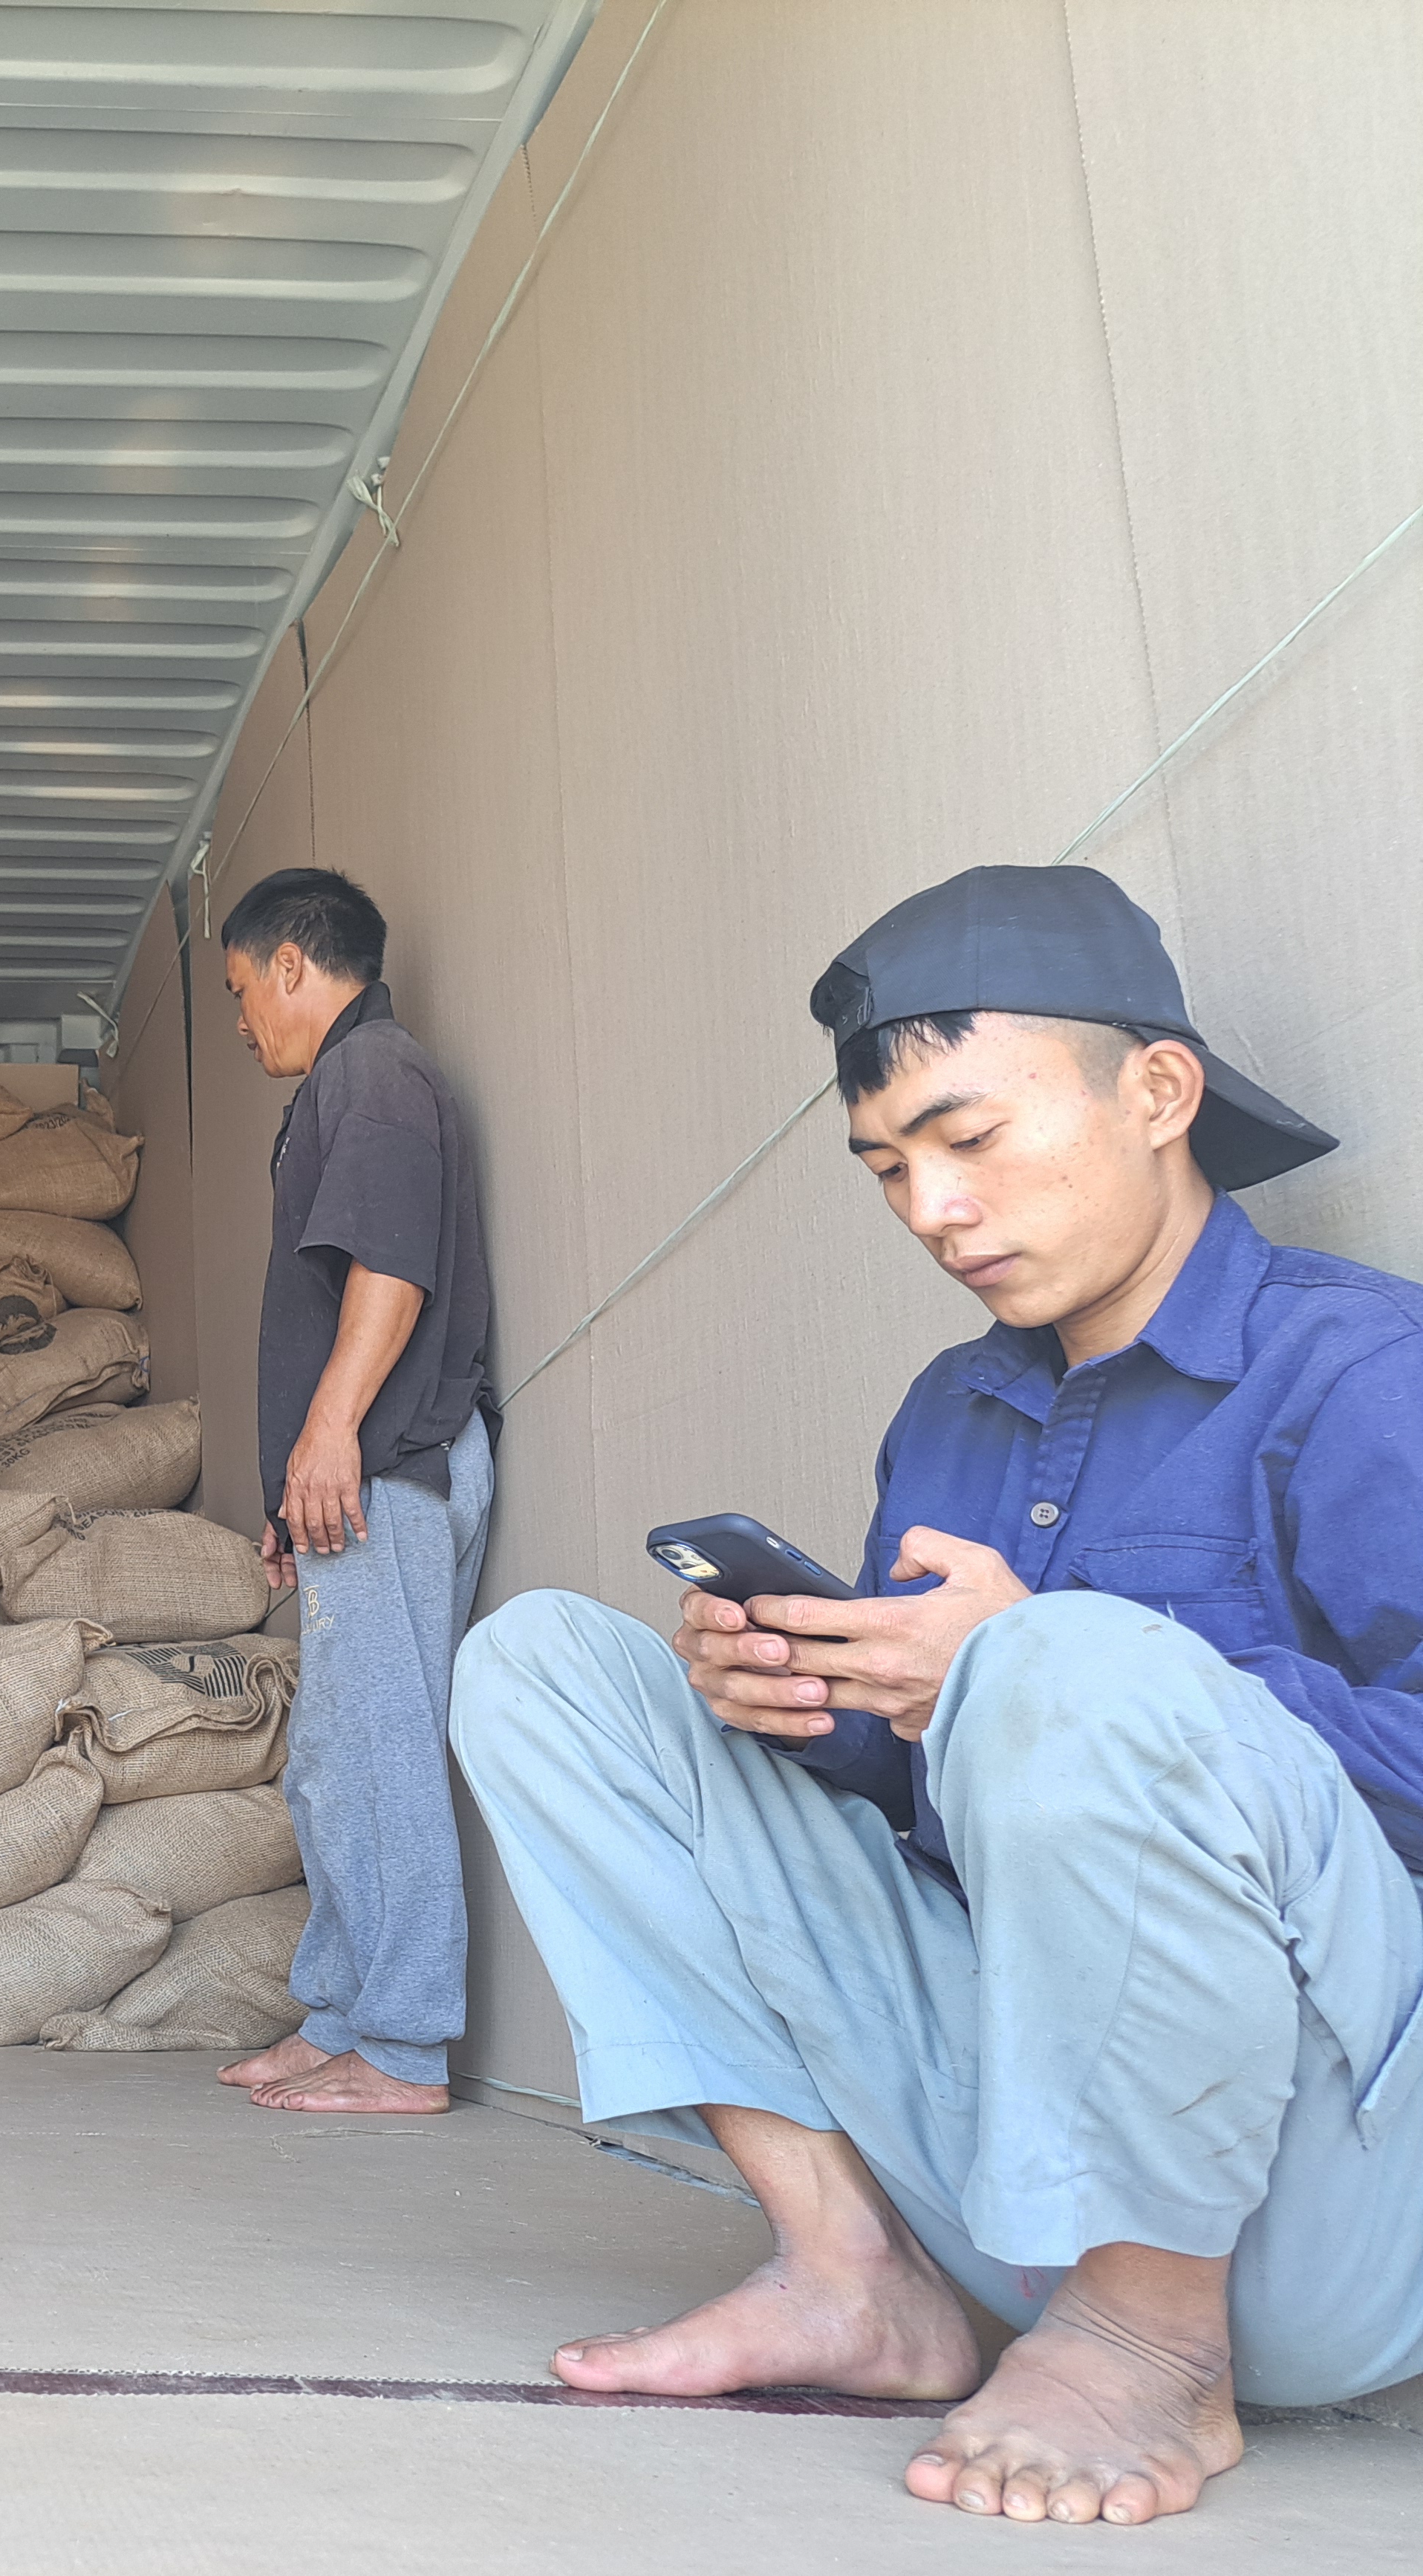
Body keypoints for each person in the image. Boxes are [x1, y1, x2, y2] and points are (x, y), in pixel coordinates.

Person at [449, 864, 1423, 2526]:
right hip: (1009, 2144)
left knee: (1058, 1653)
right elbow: (957, 1803)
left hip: (1327, 2182)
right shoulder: (951, 1411)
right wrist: (822, 1701)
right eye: (888, 1168)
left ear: (1157, 1094)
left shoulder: (1361, 1368)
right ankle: (852, 2271)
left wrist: (1034, 1661)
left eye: (968, 1140)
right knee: (541, 1665)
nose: (931, 1209)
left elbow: (1115, 1711)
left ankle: (1148, 2333)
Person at [207, 869, 496, 2117]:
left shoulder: (372, 1074)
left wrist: (328, 1437)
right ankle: (340, 2014)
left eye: (239, 991)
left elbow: (390, 1268)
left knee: (379, 1756)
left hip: (387, 1467)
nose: (239, 1022)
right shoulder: (349, 1081)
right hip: (350, 1480)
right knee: (330, 1758)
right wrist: (296, 1487)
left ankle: (405, 2047)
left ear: (291, 965)